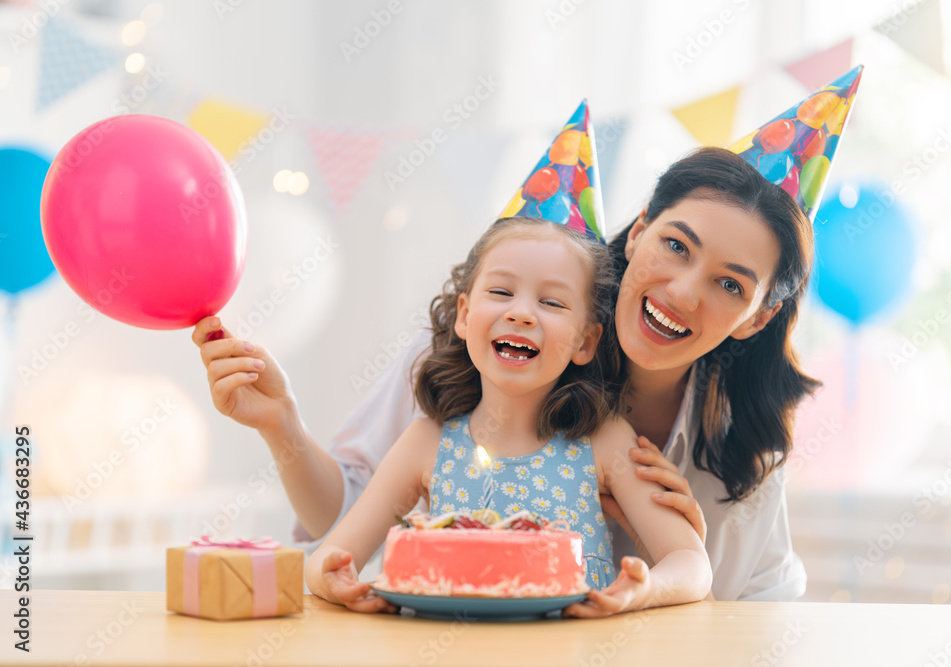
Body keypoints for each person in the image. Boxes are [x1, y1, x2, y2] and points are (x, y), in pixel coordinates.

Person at [192, 69, 862, 601]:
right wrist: (282, 426)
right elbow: (343, 524)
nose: (684, 291)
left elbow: (752, 617)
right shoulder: (462, 371)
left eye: (730, 285)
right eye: (676, 246)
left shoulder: (740, 453)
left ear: (759, 316)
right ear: (639, 228)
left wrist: (675, 551)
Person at [301, 215, 712, 615]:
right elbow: (328, 560)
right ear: (464, 315)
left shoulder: (604, 441)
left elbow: (690, 563)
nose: (522, 313)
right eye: (501, 292)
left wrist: (644, 590)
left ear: (585, 341)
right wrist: (333, 581)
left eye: (551, 302)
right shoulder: (426, 442)